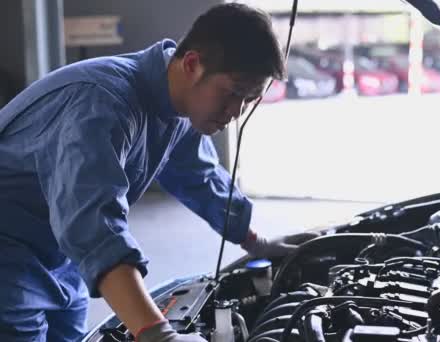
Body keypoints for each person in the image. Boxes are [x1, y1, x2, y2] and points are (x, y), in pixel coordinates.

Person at [0, 3, 315, 341]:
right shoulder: (100, 104)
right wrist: (158, 333)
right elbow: (94, 225)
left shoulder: (175, 106)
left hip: (60, 259)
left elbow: (200, 177)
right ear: (193, 64)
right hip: (9, 256)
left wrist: (256, 242)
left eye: (248, 100)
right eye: (232, 93)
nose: (235, 112)